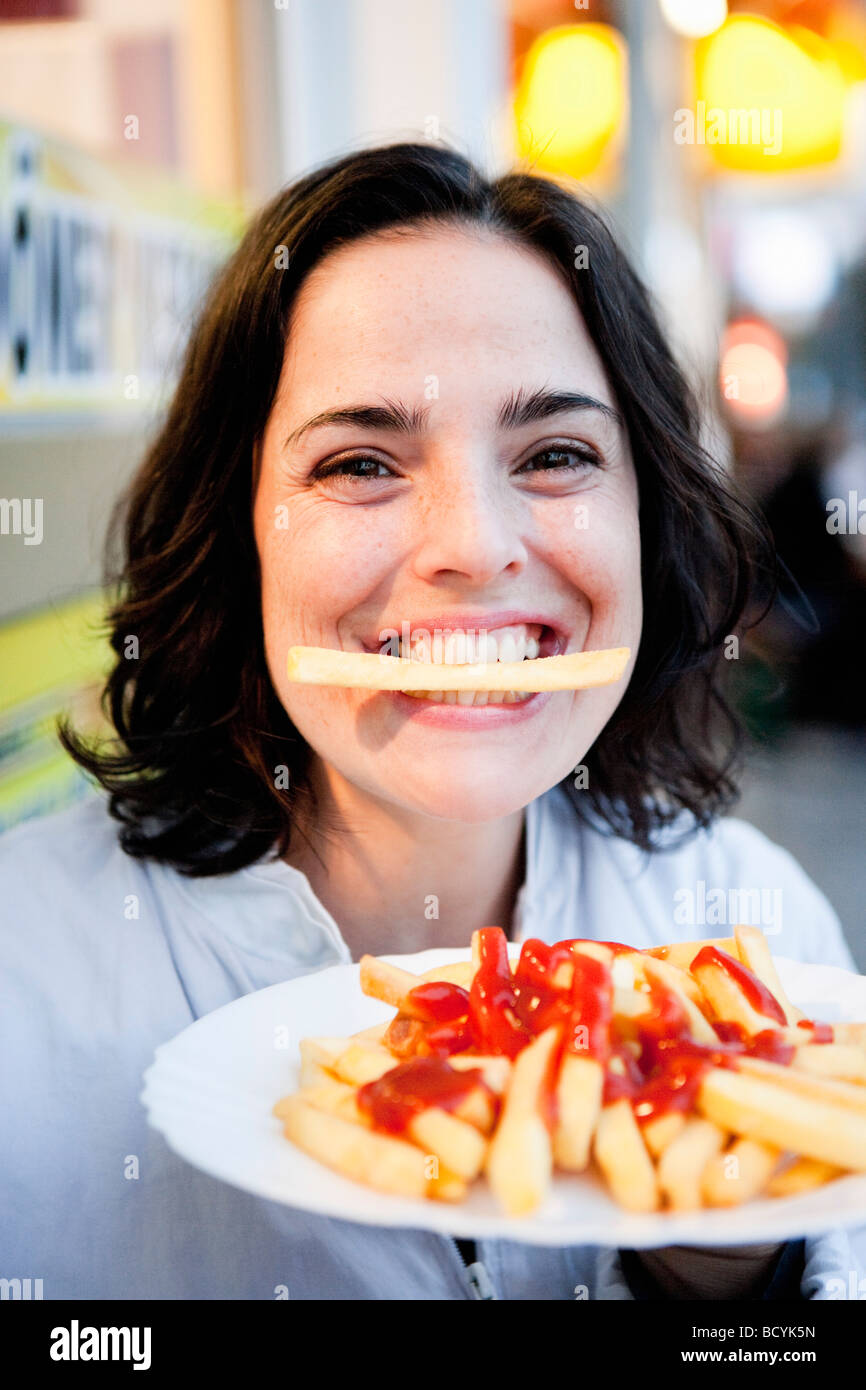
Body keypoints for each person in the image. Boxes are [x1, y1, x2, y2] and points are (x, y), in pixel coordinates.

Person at [1, 142, 861, 1301]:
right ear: (237, 526)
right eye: (359, 462)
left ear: (645, 517)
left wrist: (731, 1269)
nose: (471, 544)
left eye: (555, 454)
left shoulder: (766, 952)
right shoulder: (27, 977)